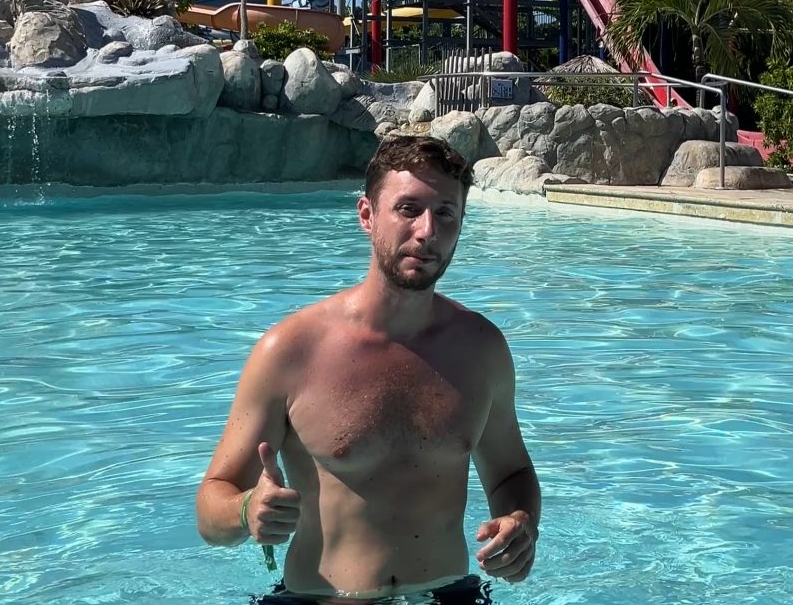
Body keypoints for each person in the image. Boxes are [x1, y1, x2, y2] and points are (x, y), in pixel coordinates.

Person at [196, 135, 540, 603]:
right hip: (320, 599)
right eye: (407, 209)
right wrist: (244, 511)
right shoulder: (290, 351)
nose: (426, 231)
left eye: (445, 214)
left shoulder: (481, 350)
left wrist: (520, 525)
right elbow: (210, 504)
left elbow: (510, 473)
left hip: (449, 595)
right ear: (367, 216)